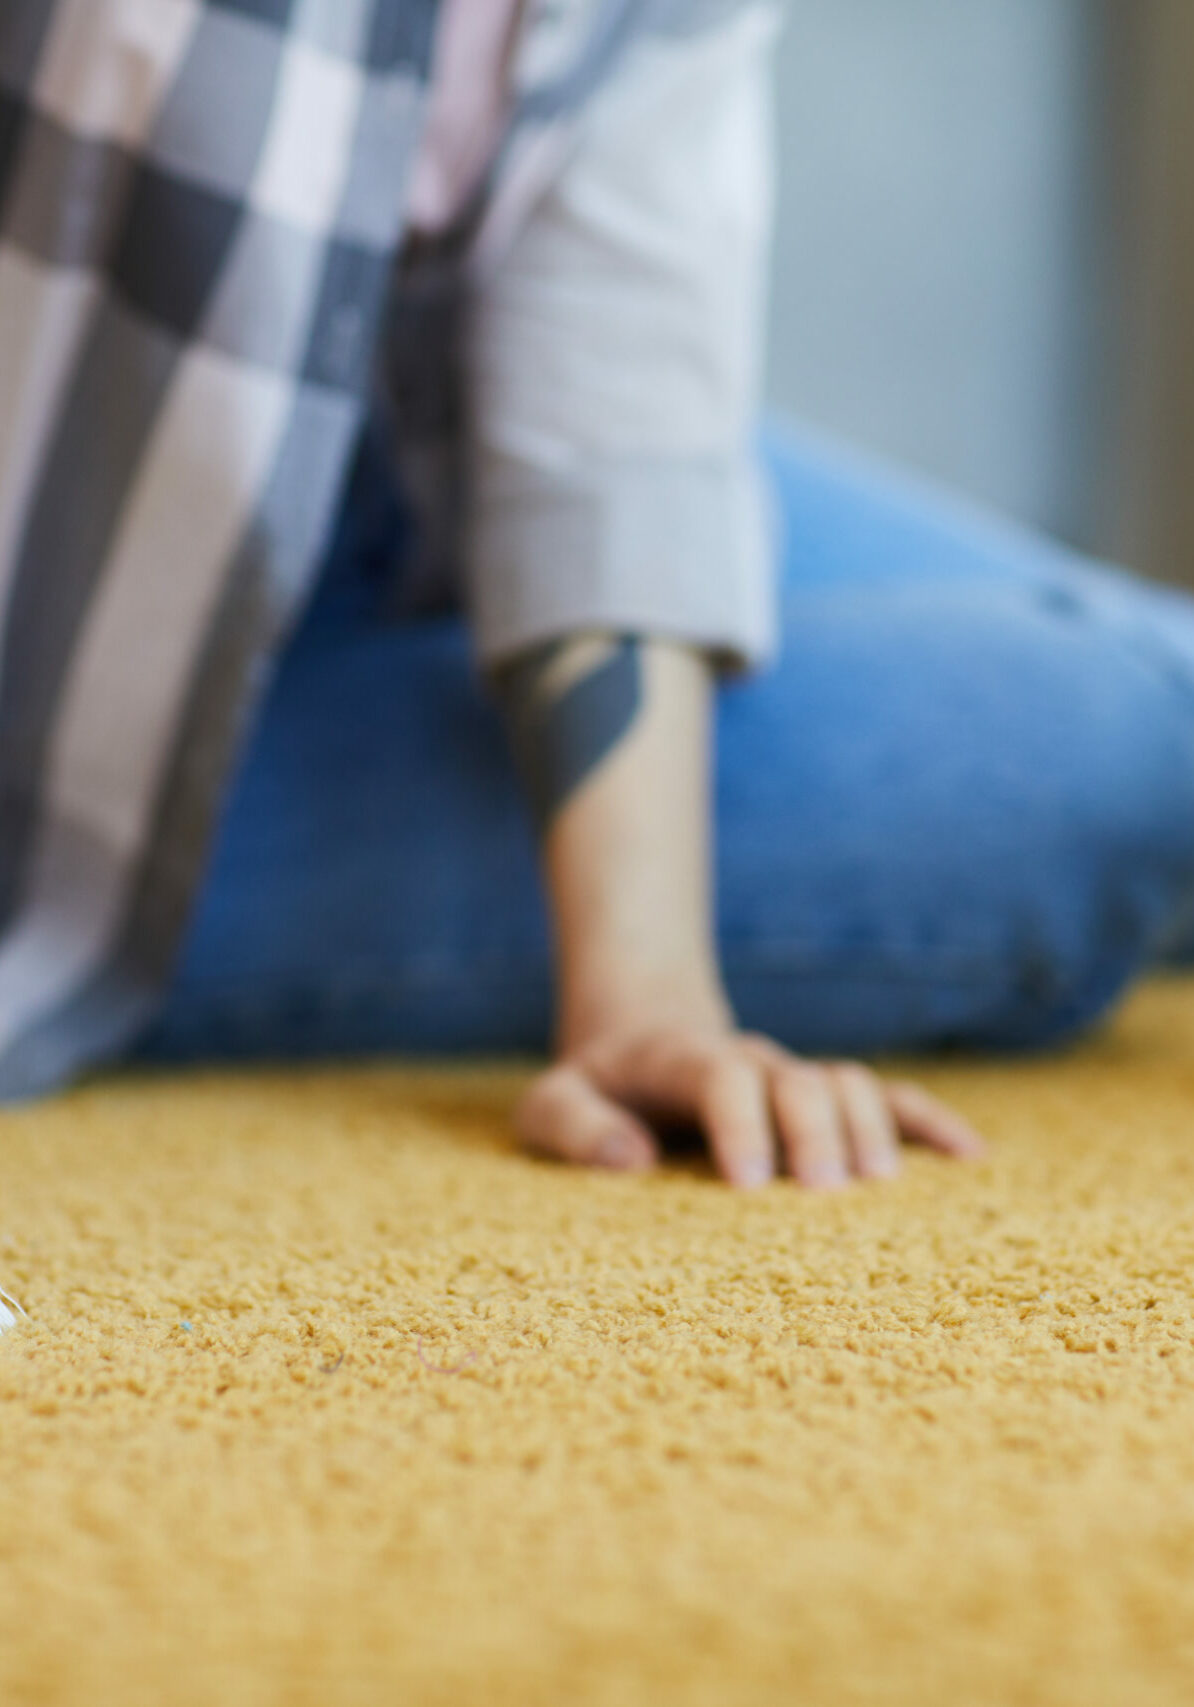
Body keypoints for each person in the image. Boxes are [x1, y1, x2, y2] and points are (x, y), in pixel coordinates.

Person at [0, 0, 1192, 1195]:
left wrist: (648, 994)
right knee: (1106, 752)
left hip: (411, 462)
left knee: (1168, 707)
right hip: (76, 610)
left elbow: (607, 371)